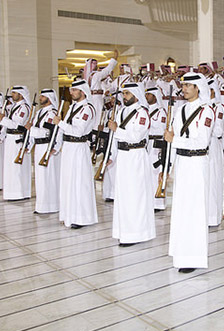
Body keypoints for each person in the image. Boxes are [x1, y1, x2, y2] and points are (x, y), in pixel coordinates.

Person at [164, 72, 215, 273]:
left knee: (195, 210)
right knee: (181, 209)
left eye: (188, 86)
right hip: (182, 162)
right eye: (183, 85)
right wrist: (168, 166)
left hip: (197, 162)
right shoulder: (181, 109)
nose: (183, 89)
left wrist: (174, 140)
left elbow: (201, 141)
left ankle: (194, 257)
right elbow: (172, 138)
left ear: (198, 88)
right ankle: (181, 253)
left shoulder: (207, 111)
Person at [107, 82, 156, 246]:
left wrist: (116, 129)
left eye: (127, 93)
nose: (124, 96)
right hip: (123, 157)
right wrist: (111, 155)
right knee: (123, 195)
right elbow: (115, 138)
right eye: (123, 93)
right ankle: (124, 232)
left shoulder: (142, 113)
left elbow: (136, 136)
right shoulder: (121, 111)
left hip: (136, 156)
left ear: (136, 94)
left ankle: (137, 233)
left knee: (136, 195)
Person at [53, 79, 98, 229]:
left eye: (74, 90)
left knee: (79, 183)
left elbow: (78, 131)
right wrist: (57, 145)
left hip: (79, 148)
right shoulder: (73, 107)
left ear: (82, 92)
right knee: (68, 182)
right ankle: (68, 215)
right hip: (68, 148)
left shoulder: (88, 109)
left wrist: (60, 123)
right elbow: (63, 130)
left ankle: (81, 217)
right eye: (71, 90)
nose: (71, 93)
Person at [27, 89, 62, 214]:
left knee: (49, 177)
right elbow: (35, 130)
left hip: (48, 147)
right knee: (41, 178)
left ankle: (52, 205)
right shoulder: (39, 112)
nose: (40, 98)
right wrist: (29, 145)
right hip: (39, 147)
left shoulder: (52, 113)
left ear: (49, 98)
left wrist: (31, 130)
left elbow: (49, 132)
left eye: (43, 96)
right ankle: (42, 205)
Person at [0, 86, 31, 201]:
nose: (12, 95)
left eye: (14, 93)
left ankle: (19, 193)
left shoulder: (24, 108)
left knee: (17, 168)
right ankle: (11, 192)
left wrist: (3, 119)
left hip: (17, 138)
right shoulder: (14, 106)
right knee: (10, 167)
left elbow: (18, 125)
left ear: (21, 95)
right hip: (10, 139)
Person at [207, 78, 224, 226]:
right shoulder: (203, 106)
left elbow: (218, 130)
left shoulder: (218, 107)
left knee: (213, 180)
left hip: (213, 145)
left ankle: (212, 217)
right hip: (202, 146)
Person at [145, 86, 167, 211]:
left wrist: (147, 128)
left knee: (155, 173)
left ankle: (158, 203)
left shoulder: (161, 112)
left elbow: (161, 129)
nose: (146, 97)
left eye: (149, 94)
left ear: (155, 96)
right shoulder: (145, 110)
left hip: (156, 144)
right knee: (147, 173)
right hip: (147, 143)